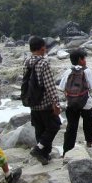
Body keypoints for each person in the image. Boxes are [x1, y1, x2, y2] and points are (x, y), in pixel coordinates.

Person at [59, 49, 92, 155]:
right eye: (84, 58)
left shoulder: (68, 71)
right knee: (88, 120)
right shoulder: (86, 71)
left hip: (71, 103)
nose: (85, 60)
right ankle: (89, 141)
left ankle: (67, 150)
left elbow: (62, 88)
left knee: (71, 126)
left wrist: (71, 96)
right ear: (80, 60)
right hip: (85, 102)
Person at [25, 36, 61, 165]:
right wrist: (56, 103)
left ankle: (45, 156)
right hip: (45, 103)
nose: (45, 49)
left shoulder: (27, 61)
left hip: (33, 103)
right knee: (54, 126)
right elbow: (49, 85)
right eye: (45, 47)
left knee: (39, 129)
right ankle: (39, 149)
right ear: (41, 48)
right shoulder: (43, 63)